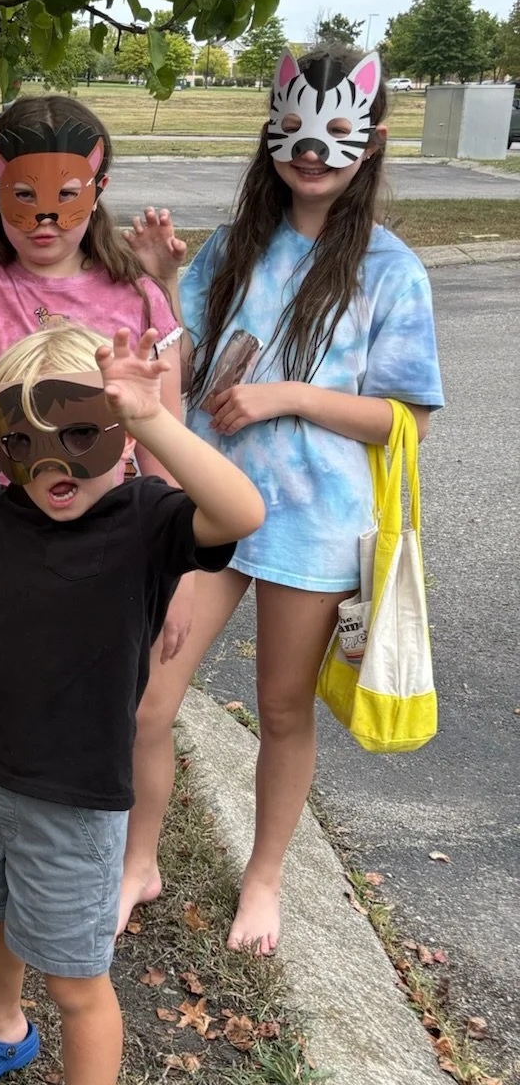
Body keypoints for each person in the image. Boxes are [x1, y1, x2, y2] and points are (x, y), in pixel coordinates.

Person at [0, 322, 264, 1085]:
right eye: (26, 443)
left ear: (116, 431)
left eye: (83, 433)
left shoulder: (150, 519)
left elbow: (241, 512)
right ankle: (0, 1026)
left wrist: (151, 419)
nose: (55, 464)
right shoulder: (13, 509)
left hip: (77, 799)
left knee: (78, 982)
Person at [121, 48, 443, 953]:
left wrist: (289, 395)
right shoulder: (234, 246)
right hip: (211, 509)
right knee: (148, 697)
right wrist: (161, 284)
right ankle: (138, 860)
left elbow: (408, 420)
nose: (312, 150)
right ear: (270, 133)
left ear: (371, 143)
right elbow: (181, 362)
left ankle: (264, 879)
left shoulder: (391, 271)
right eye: (295, 128)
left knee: (283, 708)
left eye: (338, 132)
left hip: (316, 526)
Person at [0, 96, 184, 1010]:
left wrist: (166, 585)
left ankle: (63, 894)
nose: (45, 221)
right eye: (23, 199)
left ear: (100, 187)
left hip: (97, 556)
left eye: (67, 199)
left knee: (74, 733)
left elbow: (165, 439)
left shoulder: (139, 299)